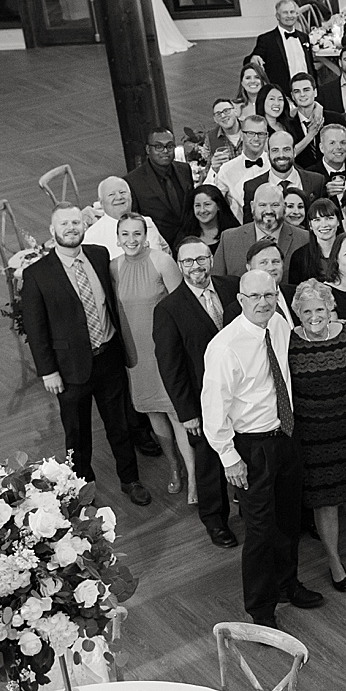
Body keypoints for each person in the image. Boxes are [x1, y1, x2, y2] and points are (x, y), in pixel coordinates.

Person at [201, 268, 326, 629]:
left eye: (268, 295)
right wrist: (229, 458)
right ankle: (260, 609)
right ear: (240, 300)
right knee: (259, 531)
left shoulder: (280, 326)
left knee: (288, 521)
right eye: (254, 297)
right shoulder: (224, 346)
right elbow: (214, 409)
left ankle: (288, 585)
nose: (262, 303)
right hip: (251, 447)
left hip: (285, 437)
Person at [20, 204, 152, 502]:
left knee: (119, 425)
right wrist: (48, 371)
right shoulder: (37, 274)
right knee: (77, 435)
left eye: (76, 223)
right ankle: (82, 488)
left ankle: (130, 480)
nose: (71, 228)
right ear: (52, 231)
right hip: (69, 369)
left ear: (84, 226)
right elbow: (36, 328)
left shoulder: (98, 254)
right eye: (64, 224)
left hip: (108, 356)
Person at [286, 279, 346, 592]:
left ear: (331, 309)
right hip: (312, 437)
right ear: (297, 314)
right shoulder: (288, 341)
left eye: (320, 309)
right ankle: (334, 560)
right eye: (306, 311)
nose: (314, 316)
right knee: (325, 503)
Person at [153, 238, 240, 548]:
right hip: (202, 402)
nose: (195, 266)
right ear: (179, 265)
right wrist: (187, 413)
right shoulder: (169, 309)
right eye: (188, 261)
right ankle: (215, 521)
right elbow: (171, 367)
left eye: (201, 259)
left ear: (211, 260)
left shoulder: (233, 288)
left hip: (242, 394)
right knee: (208, 463)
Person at [110, 213, 191, 497]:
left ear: (146, 236)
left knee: (177, 413)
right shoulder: (114, 267)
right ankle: (173, 466)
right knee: (154, 413)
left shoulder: (161, 262)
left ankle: (193, 475)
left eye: (137, 234)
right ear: (117, 238)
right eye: (125, 234)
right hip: (136, 354)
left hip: (164, 350)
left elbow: (184, 306)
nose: (131, 240)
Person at [214, 185, 311, 278]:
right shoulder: (228, 239)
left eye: (275, 205)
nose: (269, 211)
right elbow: (217, 282)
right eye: (262, 205)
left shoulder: (305, 239)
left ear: (284, 207)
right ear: (252, 207)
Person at [126, 126, 198, 247]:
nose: (165, 151)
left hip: (190, 240)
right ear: (148, 149)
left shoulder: (184, 169)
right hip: (160, 246)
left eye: (170, 146)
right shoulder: (133, 181)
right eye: (159, 147)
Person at [248, 0, 315, 96]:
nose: (289, 16)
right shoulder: (267, 40)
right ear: (277, 16)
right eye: (285, 13)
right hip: (283, 92)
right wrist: (254, 57)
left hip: (306, 91)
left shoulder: (304, 37)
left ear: (297, 14)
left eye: (292, 12)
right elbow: (253, 59)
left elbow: (310, 66)